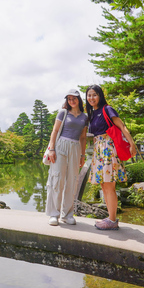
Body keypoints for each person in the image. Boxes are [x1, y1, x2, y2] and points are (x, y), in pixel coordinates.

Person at [85, 84, 137, 230]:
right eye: (89, 95)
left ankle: (113, 221)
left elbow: (122, 127)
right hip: (98, 150)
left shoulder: (107, 109)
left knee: (109, 186)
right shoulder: (93, 114)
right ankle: (110, 217)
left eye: (94, 94)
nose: (91, 98)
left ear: (100, 95)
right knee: (103, 184)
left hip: (108, 149)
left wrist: (132, 144)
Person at [44, 89, 88, 226]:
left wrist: (82, 155)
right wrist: (51, 149)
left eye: (74, 98)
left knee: (72, 181)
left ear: (79, 100)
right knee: (57, 179)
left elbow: (83, 137)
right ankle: (54, 214)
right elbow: (55, 131)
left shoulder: (84, 117)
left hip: (75, 147)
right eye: (69, 99)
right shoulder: (63, 113)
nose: (71, 101)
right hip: (60, 146)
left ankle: (67, 214)